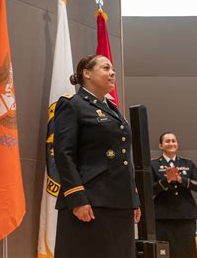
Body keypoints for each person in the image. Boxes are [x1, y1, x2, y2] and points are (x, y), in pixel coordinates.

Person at [53, 54, 141, 258]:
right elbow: (63, 154)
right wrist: (77, 198)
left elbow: (124, 158)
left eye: (113, 69)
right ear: (87, 73)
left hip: (119, 202)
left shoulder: (112, 109)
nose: (112, 73)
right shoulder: (72, 104)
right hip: (90, 200)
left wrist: (133, 199)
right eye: (106, 68)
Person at [151, 132, 197, 258]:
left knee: (187, 251)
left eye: (173, 141)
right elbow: (148, 190)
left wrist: (181, 180)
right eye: (167, 141)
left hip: (186, 216)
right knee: (164, 252)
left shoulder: (188, 164)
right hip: (163, 216)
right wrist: (166, 180)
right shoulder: (153, 165)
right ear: (161, 145)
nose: (171, 143)